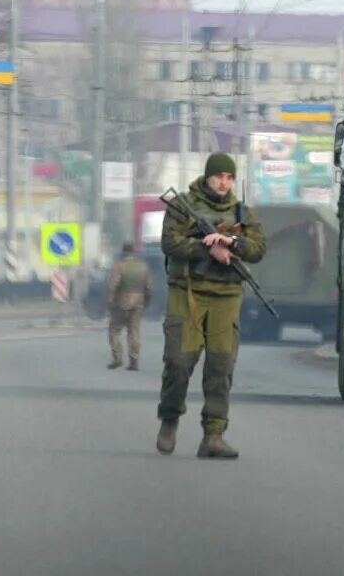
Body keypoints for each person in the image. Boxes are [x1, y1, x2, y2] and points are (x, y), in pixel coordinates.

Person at [156, 152, 265, 460]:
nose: (223, 182)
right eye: (218, 176)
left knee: (221, 366)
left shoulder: (242, 212)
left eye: (229, 177)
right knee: (179, 361)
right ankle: (169, 419)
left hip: (226, 296)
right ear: (207, 176)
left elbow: (258, 249)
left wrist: (232, 244)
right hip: (187, 292)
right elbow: (170, 243)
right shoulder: (182, 205)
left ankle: (213, 435)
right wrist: (208, 250)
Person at [106, 241, 153, 371]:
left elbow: (112, 286)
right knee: (134, 332)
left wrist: (109, 303)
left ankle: (117, 357)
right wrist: (147, 302)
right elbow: (149, 287)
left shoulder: (120, 266)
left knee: (114, 330)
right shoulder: (143, 267)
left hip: (121, 303)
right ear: (133, 252)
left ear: (123, 252)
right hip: (138, 303)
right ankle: (134, 360)